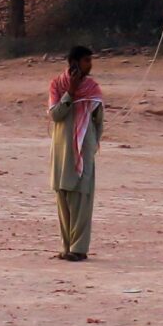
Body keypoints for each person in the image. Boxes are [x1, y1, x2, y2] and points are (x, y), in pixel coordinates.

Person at [48, 46, 106, 261]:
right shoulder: (57, 85)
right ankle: (66, 248)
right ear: (73, 62)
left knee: (81, 198)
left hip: (84, 149)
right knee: (63, 196)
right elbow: (56, 115)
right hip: (62, 150)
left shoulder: (92, 88)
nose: (90, 65)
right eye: (86, 61)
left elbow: (98, 122)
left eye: (90, 60)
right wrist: (70, 92)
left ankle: (79, 249)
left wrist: (90, 145)